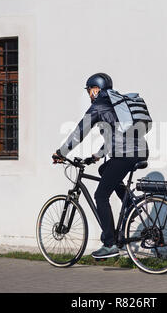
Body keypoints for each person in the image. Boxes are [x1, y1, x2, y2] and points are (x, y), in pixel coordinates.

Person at [52, 73, 149, 259]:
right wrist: (97, 155)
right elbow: (118, 135)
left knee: (100, 195)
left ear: (95, 89)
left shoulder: (99, 105)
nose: (89, 95)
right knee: (104, 169)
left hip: (125, 154)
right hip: (139, 151)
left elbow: (79, 132)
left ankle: (109, 243)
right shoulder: (117, 102)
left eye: (89, 90)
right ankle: (129, 202)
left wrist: (61, 153)